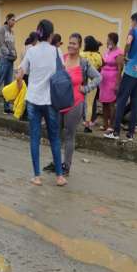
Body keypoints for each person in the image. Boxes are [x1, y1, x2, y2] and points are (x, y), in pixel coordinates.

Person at [15, 19, 67, 187]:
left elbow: (20, 75)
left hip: (33, 99)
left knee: (35, 138)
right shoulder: (57, 52)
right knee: (54, 138)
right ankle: (59, 176)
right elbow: (63, 73)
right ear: (51, 35)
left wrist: (18, 88)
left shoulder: (31, 51)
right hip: (51, 100)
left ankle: (37, 176)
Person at [44, 33, 101, 176]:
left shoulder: (84, 63)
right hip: (58, 103)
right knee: (55, 134)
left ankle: (66, 167)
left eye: (74, 43)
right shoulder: (61, 60)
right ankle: (56, 162)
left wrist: (86, 88)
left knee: (69, 136)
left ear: (79, 46)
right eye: (69, 43)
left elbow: (99, 77)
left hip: (75, 104)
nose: (71, 45)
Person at [105, 13, 137, 141]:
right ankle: (130, 134)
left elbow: (128, 42)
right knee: (136, 102)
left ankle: (115, 132)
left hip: (131, 70)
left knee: (121, 100)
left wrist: (125, 54)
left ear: (134, 21)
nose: (131, 24)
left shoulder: (133, 31)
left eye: (131, 21)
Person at [99, 33, 124, 133]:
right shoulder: (107, 51)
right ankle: (105, 124)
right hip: (104, 80)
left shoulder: (119, 52)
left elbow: (120, 69)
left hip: (113, 79)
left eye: (108, 39)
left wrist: (118, 83)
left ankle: (111, 125)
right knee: (104, 103)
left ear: (113, 40)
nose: (107, 41)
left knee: (111, 103)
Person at [81, 36, 103, 133]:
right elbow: (100, 65)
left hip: (81, 81)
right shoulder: (98, 56)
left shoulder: (81, 54)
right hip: (93, 81)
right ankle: (87, 124)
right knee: (89, 104)